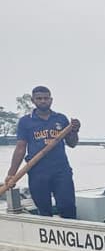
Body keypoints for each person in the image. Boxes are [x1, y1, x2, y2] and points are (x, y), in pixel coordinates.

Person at [5, 86, 81, 218]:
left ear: (51, 100)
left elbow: (72, 144)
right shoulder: (26, 121)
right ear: (33, 100)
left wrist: (74, 130)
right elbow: (20, 148)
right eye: (39, 98)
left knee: (67, 205)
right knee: (43, 209)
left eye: (46, 98)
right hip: (37, 170)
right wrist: (11, 174)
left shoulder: (61, 118)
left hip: (61, 169)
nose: (43, 101)